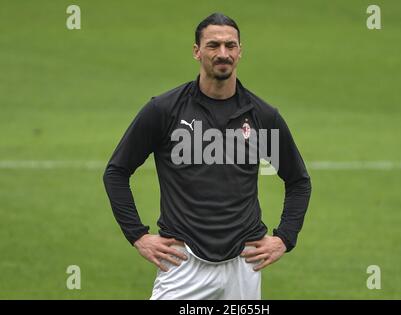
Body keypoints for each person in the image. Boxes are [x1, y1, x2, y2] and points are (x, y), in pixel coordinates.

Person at [103, 12, 311, 300]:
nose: (222, 53)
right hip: (182, 262)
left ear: (240, 52)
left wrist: (284, 238)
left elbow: (298, 180)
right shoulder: (164, 111)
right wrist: (138, 236)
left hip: (244, 263)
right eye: (213, 45)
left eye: (230, 46)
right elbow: (116, 172)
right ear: (196, 51)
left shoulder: (262, 116)